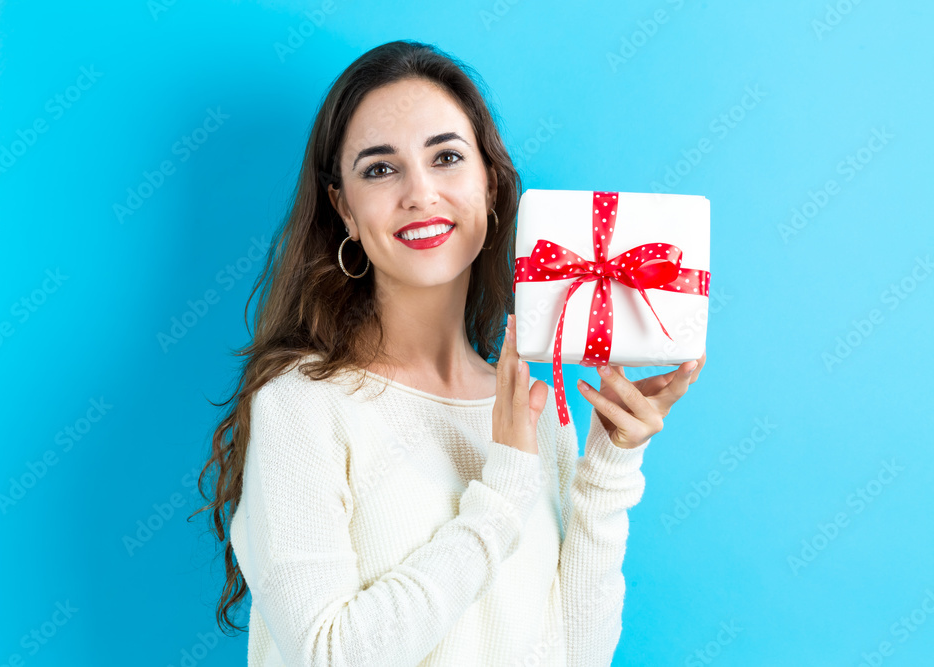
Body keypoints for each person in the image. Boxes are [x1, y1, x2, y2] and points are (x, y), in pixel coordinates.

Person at [193, 39, 705, 667]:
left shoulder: (534, 410)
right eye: (381, 169)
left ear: (489, 186)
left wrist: (610, 464)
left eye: (447, 158)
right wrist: (503, 489)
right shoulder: (302, 406)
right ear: (343, 209)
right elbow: (329, 656)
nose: (421, 194)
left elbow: (575, 653)